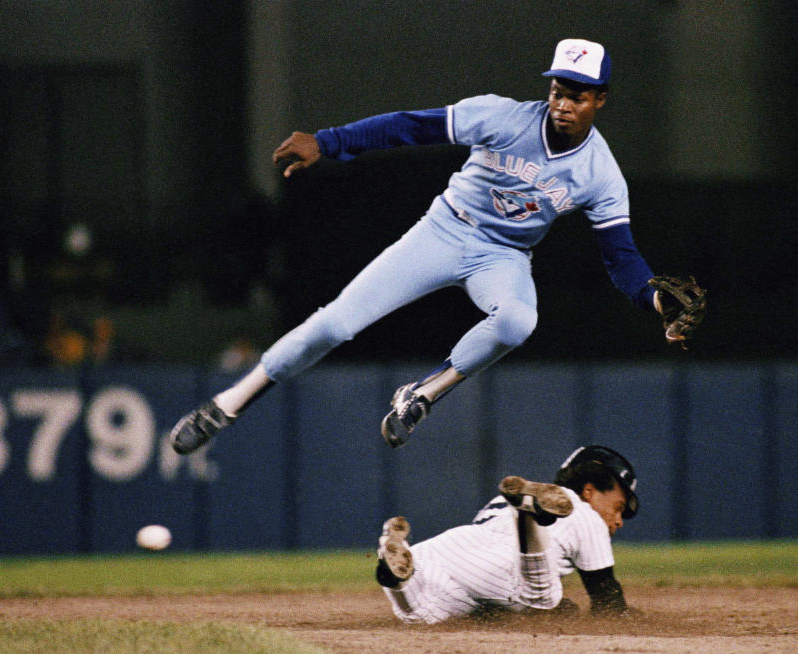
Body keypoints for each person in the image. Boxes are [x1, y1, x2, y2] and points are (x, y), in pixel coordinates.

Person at [170, 38, 703, 455]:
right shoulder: (502, 116)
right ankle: (226, 405)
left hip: (503, 256)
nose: (563, 104)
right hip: (444, 230)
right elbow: (410, 128)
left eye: (577, 95)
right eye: (558, 90)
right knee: (335, 325)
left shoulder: (601, 174)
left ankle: (421, 396)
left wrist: (655, 301)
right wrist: (328, 142)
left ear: (600, 100)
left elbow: (621, 257)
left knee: (519, 320)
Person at [376, 444, 638, 623]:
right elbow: (608, 604)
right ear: (590, 490)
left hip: (450, 548)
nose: (619, 520)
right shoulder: (584, 513)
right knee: (541, 600)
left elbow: (484, 587)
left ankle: (395, 566)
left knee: (424, 615)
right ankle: (527, 513)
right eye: (618, 507)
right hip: (509, 564)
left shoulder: (495, 503)